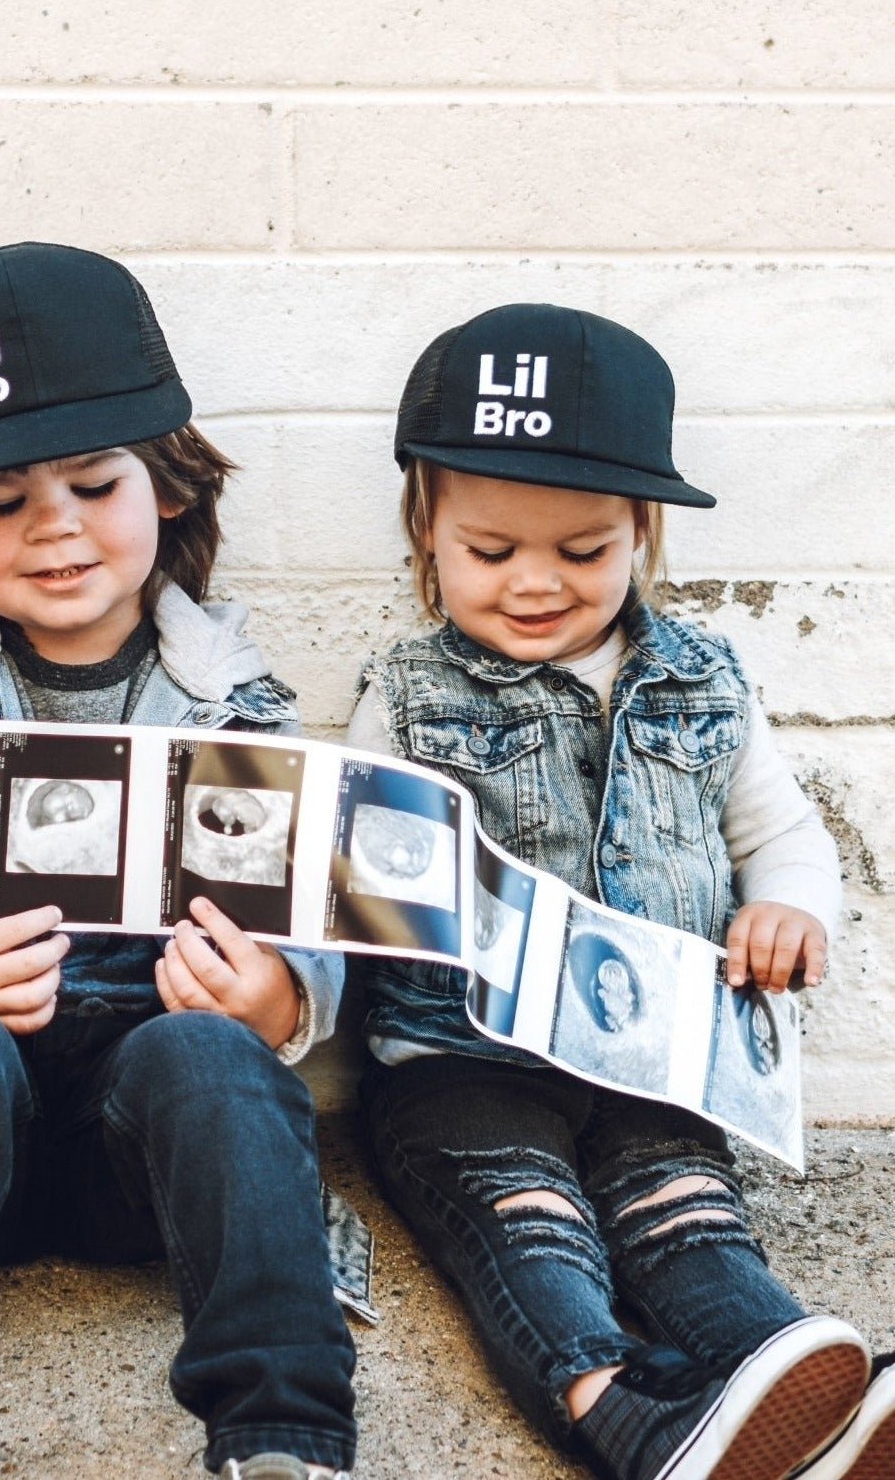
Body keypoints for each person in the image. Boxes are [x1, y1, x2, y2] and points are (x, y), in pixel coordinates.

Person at [0, 242, 359, 1480]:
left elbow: (307, 914)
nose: (54, 529)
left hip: (137, 1139)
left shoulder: (234, 699)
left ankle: (282, 1437)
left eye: (94, 484)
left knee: (209, 1052)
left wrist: (276, 996)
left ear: (170, 487)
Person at [349, 302, 889, 1480]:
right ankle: (624, 1412)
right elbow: (354, 881)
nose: (536, 583)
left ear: (641, 532)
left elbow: (782, 833)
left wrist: (790, 907)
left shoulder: (703, 680)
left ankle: (800, 1383)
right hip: (459, 1063)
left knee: (686, 1210)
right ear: (425, 528)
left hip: (658, 1058)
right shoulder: (405, 694)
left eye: (583, 551)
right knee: (525, 1219)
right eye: (491, 551)